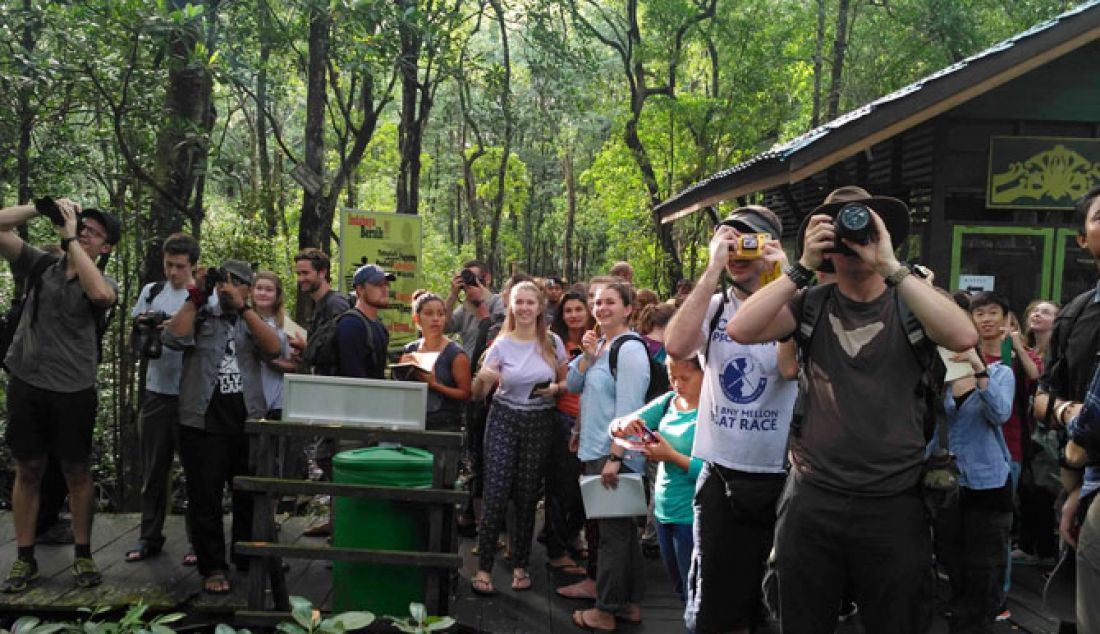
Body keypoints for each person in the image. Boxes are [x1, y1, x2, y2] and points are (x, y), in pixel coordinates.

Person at [727, 186, 977, 633]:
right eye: (838, 233)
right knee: (800, 619)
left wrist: (891, 266)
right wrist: (801, 267)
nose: (851, 241)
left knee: (897, 621)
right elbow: (742, 328)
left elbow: (962, 337)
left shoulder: (912, 302)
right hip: (813, 497)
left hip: (894, 500)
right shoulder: (812, 303)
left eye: (862, 228)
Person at [664, 205, 797, 634]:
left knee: (775, 599)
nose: (738, 251)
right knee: (715, 605)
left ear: (770, 246)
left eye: (748, 242)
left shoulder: (799, 302)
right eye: (729, 241)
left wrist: (784, 278)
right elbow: (677, 345)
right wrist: (710, 271)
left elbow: (789, 367)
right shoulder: (716, 306)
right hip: (721, 473)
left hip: (781, 473)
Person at [0, 199, 119, 593]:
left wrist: (70, 242)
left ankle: (83, 554)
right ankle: (25, 558)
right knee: (29, 469)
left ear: (106, 248)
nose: (86, 231)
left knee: (77, 472)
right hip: (27, 382)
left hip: (73, 389)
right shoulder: (38, 265)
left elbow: (100, 295)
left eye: (95, 233)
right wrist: (39, 207)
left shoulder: (104, 282)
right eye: (84, 225)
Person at [163, 259, 281, 594]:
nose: (226, 289)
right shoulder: (201, 315)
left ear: (247, 287)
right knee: (206, 498)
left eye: (236, 283)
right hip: (201, 422)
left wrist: (243, 309)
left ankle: (246, 556)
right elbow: (173, 338)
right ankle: (212, 566)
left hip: (247, 420)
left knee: (248, 496)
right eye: (222, 283)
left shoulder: (252, 320)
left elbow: (274, 349)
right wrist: (196, 296)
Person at [469, 281, 567, 595]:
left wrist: (555, 389)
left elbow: (565, 381)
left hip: (539, 418)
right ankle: (483, 568)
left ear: (540, 307)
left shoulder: (553, 341)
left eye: (530, 303)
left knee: (527, 494)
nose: (524, 308)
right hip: (504, 417)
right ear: (511, 306)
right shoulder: (500, 344)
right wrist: (483, 379)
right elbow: (477, 394)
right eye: (518, 302)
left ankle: (521, 565)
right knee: (496, 491)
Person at [566, 282, 650, 632]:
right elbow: (572, 385)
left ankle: (606, 610)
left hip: (612, 454)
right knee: (622, 532)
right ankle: (627, 602)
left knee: (612, 533)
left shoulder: (629, 350)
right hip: (597, 449)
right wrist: (587, 357)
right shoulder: (601, 345)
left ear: (628, 309)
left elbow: (631, 410)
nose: (601, 308)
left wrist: (616, 456)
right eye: (597, 302)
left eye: (610, 302)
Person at [1035, 185, 1100, 633]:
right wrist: (1066, 414)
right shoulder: (1075, 316)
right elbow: (1040, 399)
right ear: (1083, 237)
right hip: (1082, 486)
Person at [124, 233, 205, 563]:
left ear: (193, 266)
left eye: (180, 266)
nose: (173, 272)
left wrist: (178, 326)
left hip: (191, 395)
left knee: (196, 474)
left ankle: (197, 543)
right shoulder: (152, 292)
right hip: (157, 391)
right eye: (168, 265)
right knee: (154, 470)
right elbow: (136, 322)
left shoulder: (201, 297)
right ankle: (149, 536)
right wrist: (147, 324)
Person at [609, 354, 704, 606]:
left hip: (692, 516)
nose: (677, 384)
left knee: (694, 595)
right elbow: (617, 425)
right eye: (672, 377)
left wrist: (670, 456)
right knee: (681, 590)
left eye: (685, 378)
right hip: (663, 512)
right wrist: (624, 425)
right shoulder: (669, 402)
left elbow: (712, 472)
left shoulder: (711, 413)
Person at [933, 346, 1015, 632]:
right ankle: (962, 618)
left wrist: (978, 368)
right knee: (953, 564)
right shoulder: (937, 379)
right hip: (949, 486)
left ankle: (976, 624)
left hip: (988, 484)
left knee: (985, 569)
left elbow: (1000, 413)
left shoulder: (999, 373)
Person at [544, 290, 592, 575]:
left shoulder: (597, 341)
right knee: (561, 485)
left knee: (584, 486)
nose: (573, 315)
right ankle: (556, 548)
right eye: (568, 310)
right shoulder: (556, 343)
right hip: (564, 418)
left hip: (594, 422)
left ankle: (574, 534)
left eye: (578, 309)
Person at [397, 291, 471, 432]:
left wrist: (435, 384)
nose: (436, 319)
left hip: (445, 426)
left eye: (441, 314)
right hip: (412, 422)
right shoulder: (410, 349)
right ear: (417, 318)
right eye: (429, 314)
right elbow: (402, 390)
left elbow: (465, 394)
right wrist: (401, 371)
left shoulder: (456, 353)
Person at [296, 248, 351, 376]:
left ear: (322, 272)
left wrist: (307, 347)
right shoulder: (320, 306)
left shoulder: (335, 304)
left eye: (305, 273)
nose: (300, 279)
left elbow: (340, 349)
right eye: (298, 274)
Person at [337, 264, 393, 379]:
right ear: (360, 289)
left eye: (386, 284)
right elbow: (354, 378)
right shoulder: (351, 325)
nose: (385, 289)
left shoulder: (379, 326)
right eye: (378, 285)